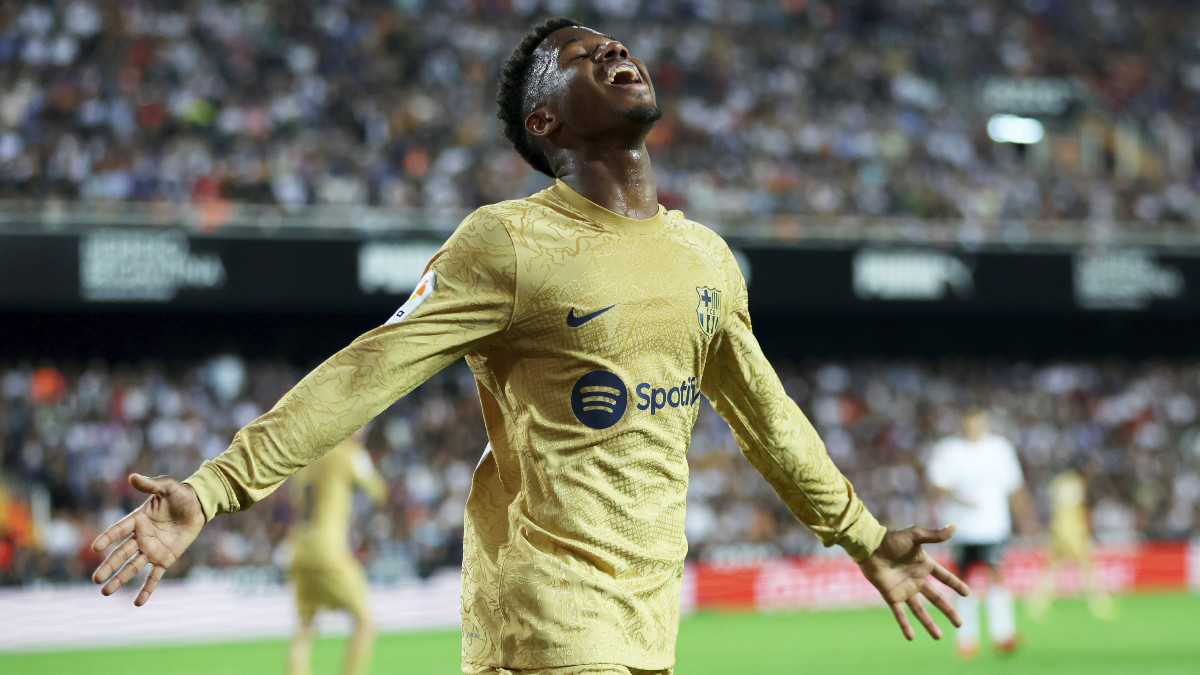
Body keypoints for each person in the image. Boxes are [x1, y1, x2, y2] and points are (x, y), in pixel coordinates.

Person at [91, 17, 969, 675]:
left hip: (647, 624)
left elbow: (766, 416)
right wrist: (215, 486)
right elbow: (371, 365)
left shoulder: (703, 255)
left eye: (612, 42)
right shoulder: (508, 243)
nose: (612, 49)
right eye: (580, 57)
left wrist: (861, 534)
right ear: (546, 123)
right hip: (547, 620)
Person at [928, 407, 1039, 659]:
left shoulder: (999, 449)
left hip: (992, 526)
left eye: (978, 424)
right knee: (962, 581)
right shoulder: (949, 450)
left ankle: (1003, 635)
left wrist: (1027, 518)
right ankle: (967, 640)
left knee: (996, 576)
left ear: (985, 425)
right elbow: (938, 484)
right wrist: (958, 496)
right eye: (969, 425)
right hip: (960, 527)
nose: (973, 429)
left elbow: (1015, 486)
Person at [287, 429, 387, 675]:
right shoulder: (347, 454)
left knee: (304, 627)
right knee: (365, 620)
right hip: (327, 550)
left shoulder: (309, 458)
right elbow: (377, 490)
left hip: (298, 548)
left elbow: (297, 495)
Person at [1027, 461, 1114, 621]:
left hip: (1057, 528)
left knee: (1052, 568)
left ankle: (1036, 603)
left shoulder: (1057, 482)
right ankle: (1100, 602)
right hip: (1073, 530)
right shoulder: (1075, 483)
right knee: (1087, 565)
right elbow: (1076, 508)